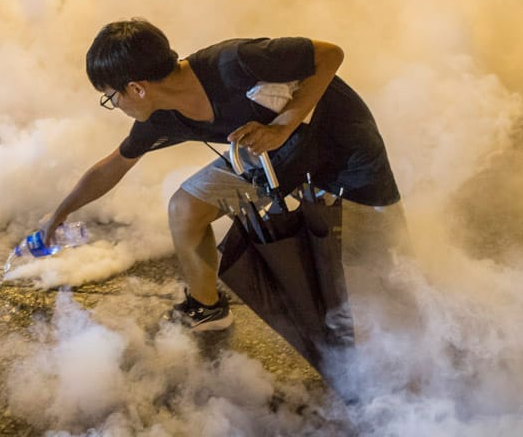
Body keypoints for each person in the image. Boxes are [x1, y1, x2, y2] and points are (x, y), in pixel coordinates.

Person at [39, 20, 405, 331]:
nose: (114, 105)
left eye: (110, 97)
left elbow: (330, 54)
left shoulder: (235, 61)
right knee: (186, 207)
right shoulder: (160, 116)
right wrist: (61, 211)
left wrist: (282, 125)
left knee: (379, 265)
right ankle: (206, 307)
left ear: (136, 88)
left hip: (342, 144)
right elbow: (115, 164)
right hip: (270, 157)